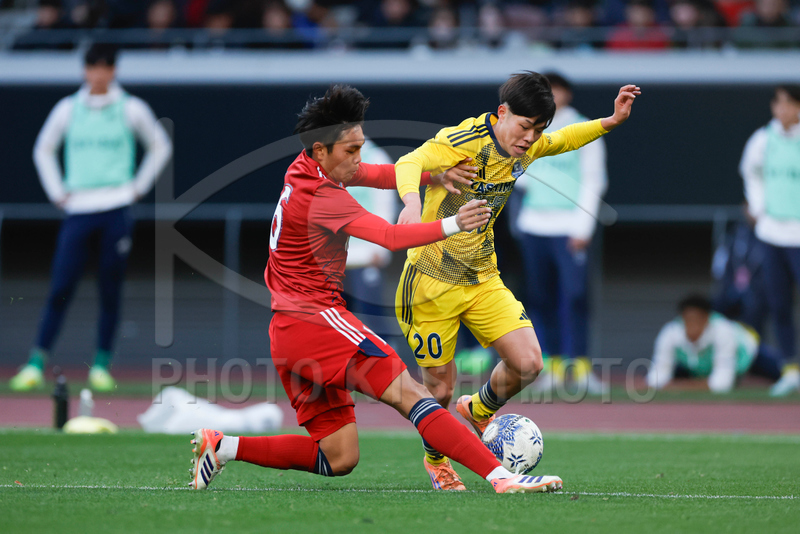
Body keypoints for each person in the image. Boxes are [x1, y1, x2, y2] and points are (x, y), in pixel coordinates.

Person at [188, 85, 563, 494]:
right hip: (317, 322)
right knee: (414, 395)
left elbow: (376, 174)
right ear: (321, 150)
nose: (358, 159)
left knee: (338, 457)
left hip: (288, 332)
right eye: (351, 150)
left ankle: (222, 447)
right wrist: (455, 223)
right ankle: (502, 477)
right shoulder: (323, 198)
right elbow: (389, 236)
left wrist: (434, 176)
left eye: (360, 147)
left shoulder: (306, 166)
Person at [393, 71, 639, 490]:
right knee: (440, 390)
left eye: (538, 129)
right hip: (430, 282)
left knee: (529, 363)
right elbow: (409, 162)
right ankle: (437, 461)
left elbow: (565, 139)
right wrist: (412, 204)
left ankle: (479, 409)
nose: (531, 138)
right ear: (502, 113)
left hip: (482, 277)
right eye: (525, 127)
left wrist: (611, 121)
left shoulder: (528, 145)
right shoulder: (462, 140)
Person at [9, 43, 172, 392]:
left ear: (113, 70)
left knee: (110, 288)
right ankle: (36, 362)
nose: (98, 74)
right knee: (61, 286)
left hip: (116, 209)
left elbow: (160, 145)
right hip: (78, 210)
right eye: (92, 67)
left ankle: (101, 365)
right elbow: (43, 149)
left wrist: (138, 187)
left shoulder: (131, 108)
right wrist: (57, 191)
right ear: (85, 70)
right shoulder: (68, 109)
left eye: (104, 67)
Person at [514, 72, 608, 396]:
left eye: (556, 90)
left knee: (575, 297)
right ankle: (551, 367)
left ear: (567, 93)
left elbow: (594, 179)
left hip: (569, 228)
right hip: (534, 226)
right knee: (539, 299)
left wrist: (583, 227)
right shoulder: (528, 129)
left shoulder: (585, 129)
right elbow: (519, 175)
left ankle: (580, 368)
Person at [740, 84, 800, 397]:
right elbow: (751, 173)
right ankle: (790, 370)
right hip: (772, 234)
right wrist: (759, 208)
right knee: (779, 304)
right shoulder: (763, 139)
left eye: (788, 103)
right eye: (778, 103)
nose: (782, 110)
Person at [647, 295, 783, 392]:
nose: (692, 327)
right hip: (700, 367)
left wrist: (679, 386)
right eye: (688, 321)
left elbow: (722, 384)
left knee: (784, 374)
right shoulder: (670, 332)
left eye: (697, 320)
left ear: (707, 318)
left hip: (748, 358)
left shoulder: (722, 330)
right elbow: (656, 378)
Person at [343, 139, 397, 336]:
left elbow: (385, 205)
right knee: (337, 317)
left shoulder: (375, 156)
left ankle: (386, 351)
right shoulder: (327, 157)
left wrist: (379, 246)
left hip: (365, 254)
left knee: (372, 314)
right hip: (334, 255)